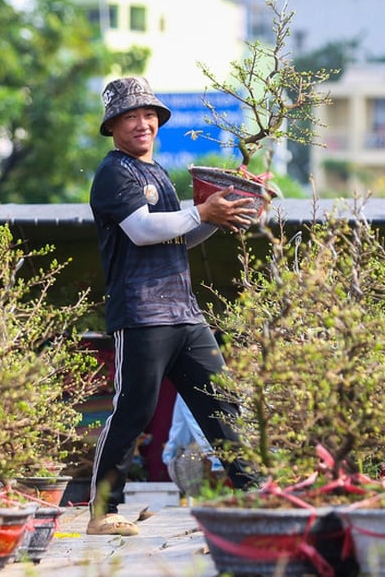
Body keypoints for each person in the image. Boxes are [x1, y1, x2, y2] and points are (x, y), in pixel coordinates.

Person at [86, 76, 258, 536]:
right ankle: (103, 513)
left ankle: (259, 498)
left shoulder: (157, 171)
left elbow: (177, 234)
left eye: (148, 115)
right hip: (142, 313)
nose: (142, 123)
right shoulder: (114, 173)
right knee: (134, 410)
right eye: (130, 116)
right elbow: (142, 230)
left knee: (223, 405)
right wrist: (202, 212)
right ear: (113, 125)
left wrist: (223, 213)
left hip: (184, 312)